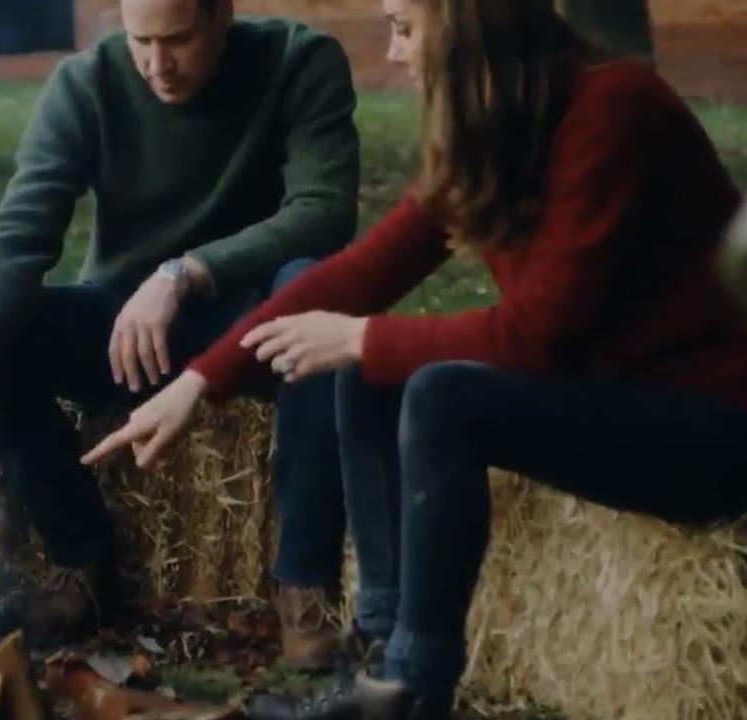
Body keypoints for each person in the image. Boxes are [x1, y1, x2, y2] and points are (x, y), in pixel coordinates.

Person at [83, 0, 747, 716]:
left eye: (403, 26)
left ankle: (412, 687)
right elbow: (361, 271)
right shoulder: (495, 128)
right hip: (608, 397)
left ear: (469, 25)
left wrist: (362, 337)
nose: (394, 53)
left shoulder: (615, 108)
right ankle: (379, 650)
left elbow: (541, 336)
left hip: (708, 426)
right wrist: (200, 380)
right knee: (376, 369)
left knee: (436, 392)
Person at [0, 0, 361, 655]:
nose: (156, 64)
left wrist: (184, 273)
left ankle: (306, 586)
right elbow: (23, 222)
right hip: (127, 330)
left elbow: (323, 213)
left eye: (176, 40)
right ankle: (79, 563)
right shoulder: (85, 82)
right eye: (140, 39)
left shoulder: (300, 61)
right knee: (2, 337)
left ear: (222, 16)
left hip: (255, 321)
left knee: (316, 294)